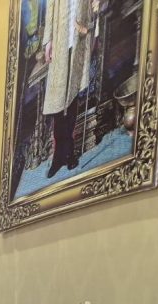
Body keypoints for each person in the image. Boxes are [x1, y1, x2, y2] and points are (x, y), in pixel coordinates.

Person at [42, 0, 95, 177]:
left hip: (79, 38)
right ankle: (59, 156)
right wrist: (48, 41)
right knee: (57, 99)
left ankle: (69, 151)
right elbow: (51, 8)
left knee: (72, 96)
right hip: (60, 39)